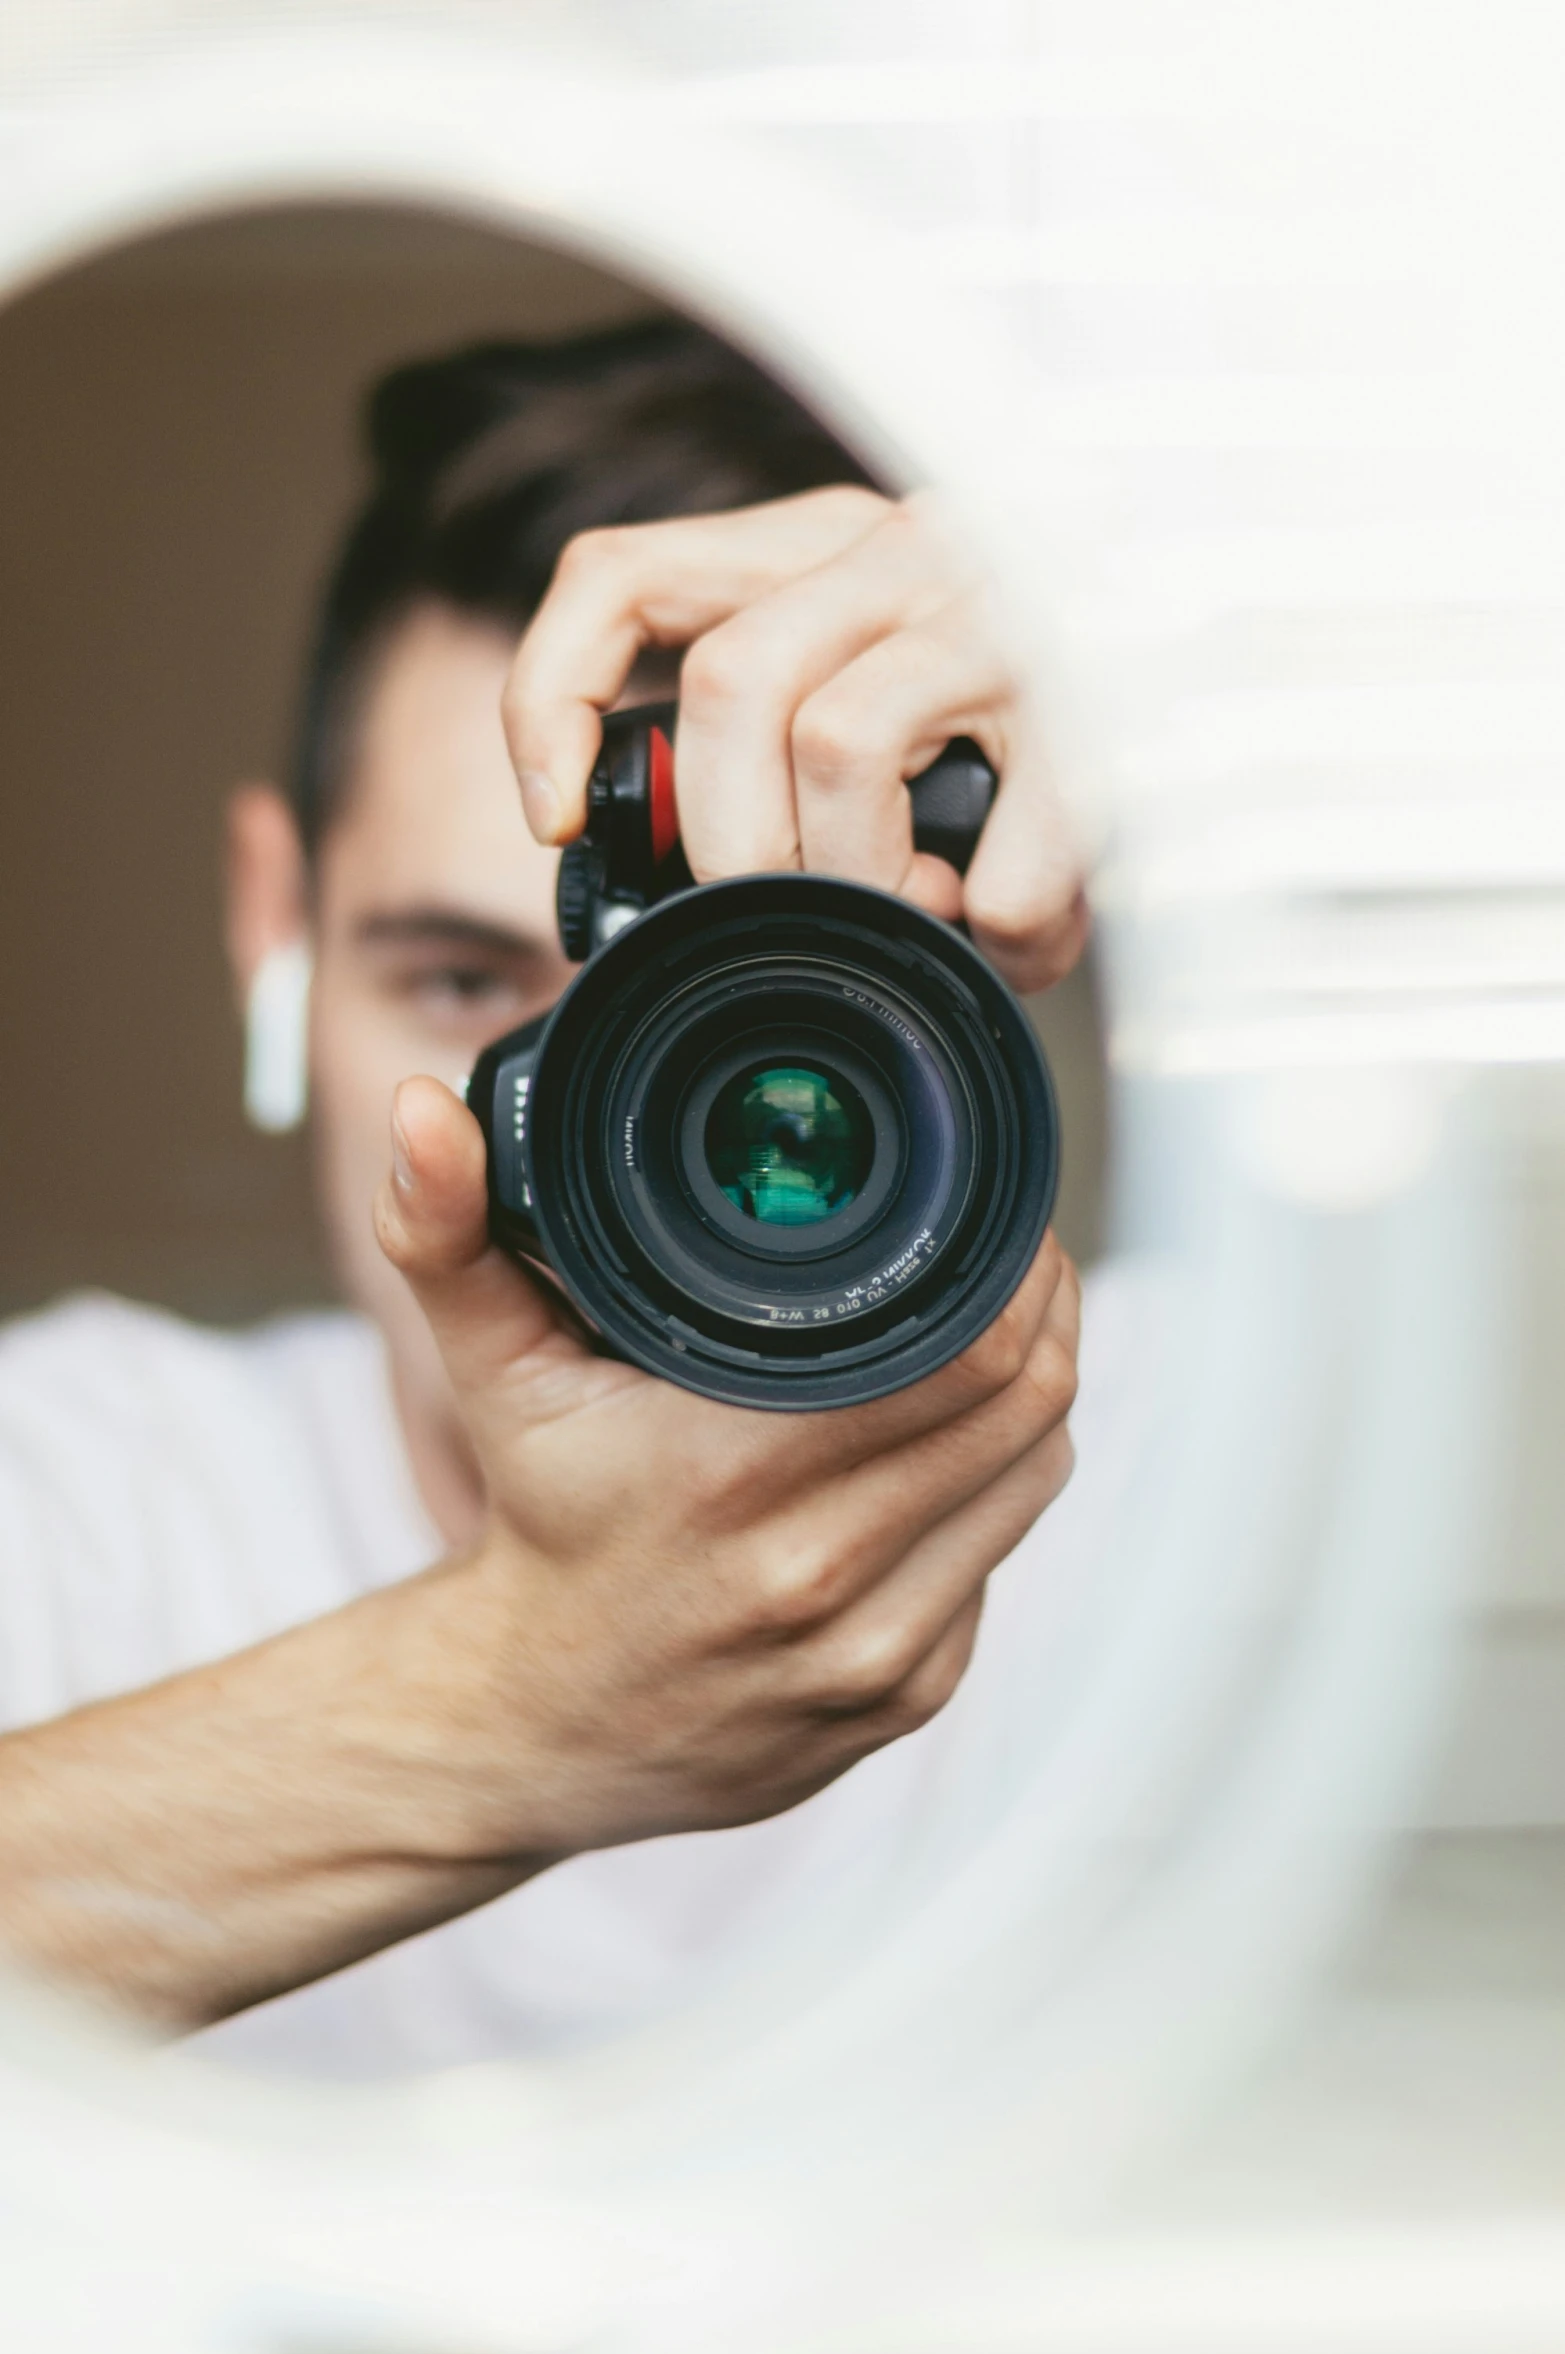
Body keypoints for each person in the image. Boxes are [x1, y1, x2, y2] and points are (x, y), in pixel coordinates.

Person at [0, 322, 1114, 2077]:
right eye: (459, 983)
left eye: (744, 1020)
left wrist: (1218, 688)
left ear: (971, 974)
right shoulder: (73, 1499)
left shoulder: (1202, 1465)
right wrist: (512, 1702)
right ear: (270, 928)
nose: (593, 1132)